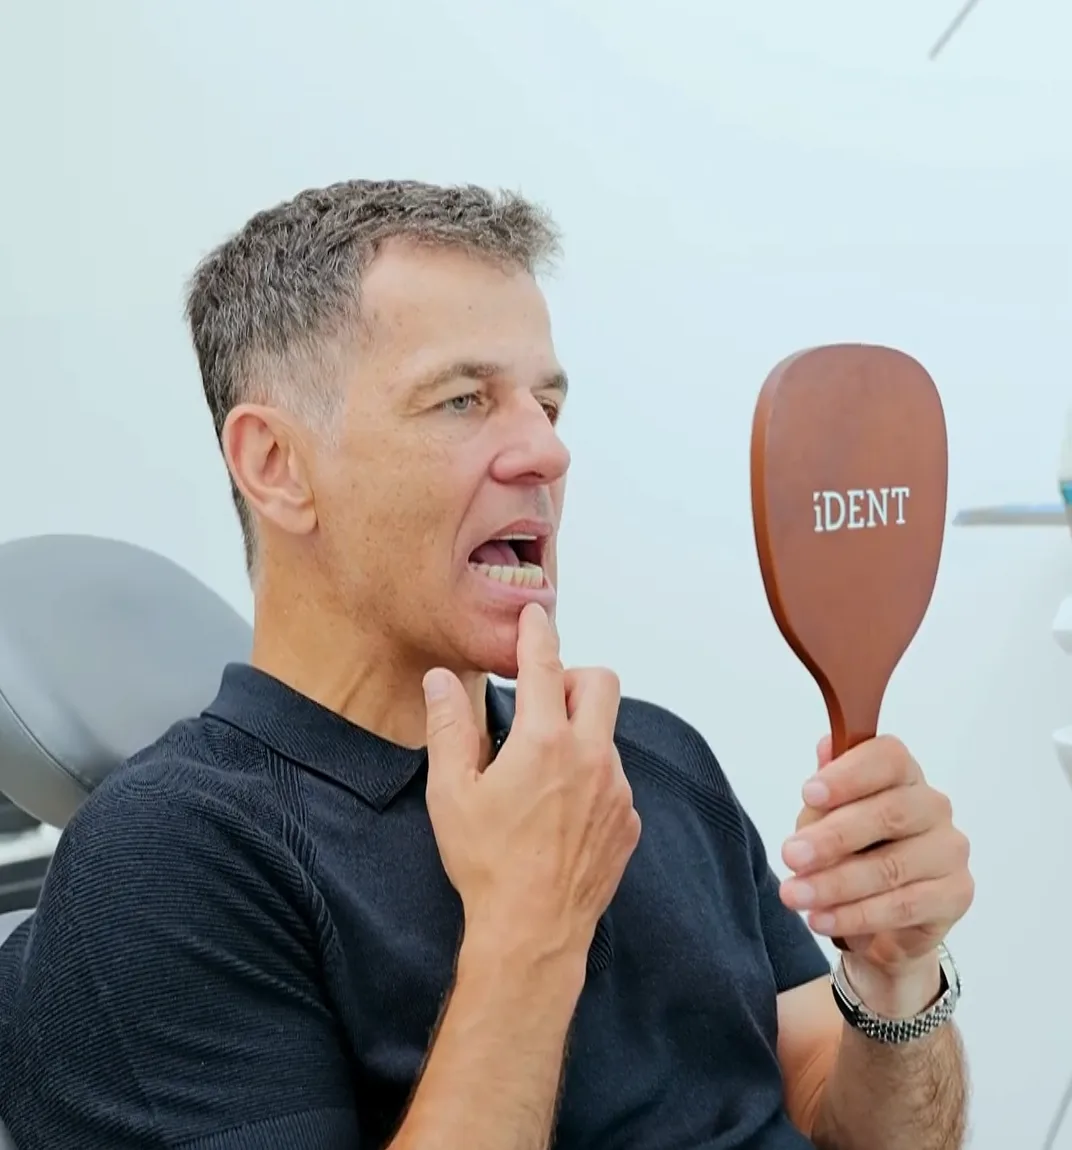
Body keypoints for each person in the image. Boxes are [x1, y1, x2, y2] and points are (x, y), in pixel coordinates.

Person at [0, 180, 973, 1150]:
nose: (546, 451)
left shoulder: (647, 761)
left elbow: (857, 1126)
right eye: (463, 400)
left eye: (547, 403)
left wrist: (894, 983)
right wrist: (528, 925)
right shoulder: (170, 864)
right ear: (276, 466)